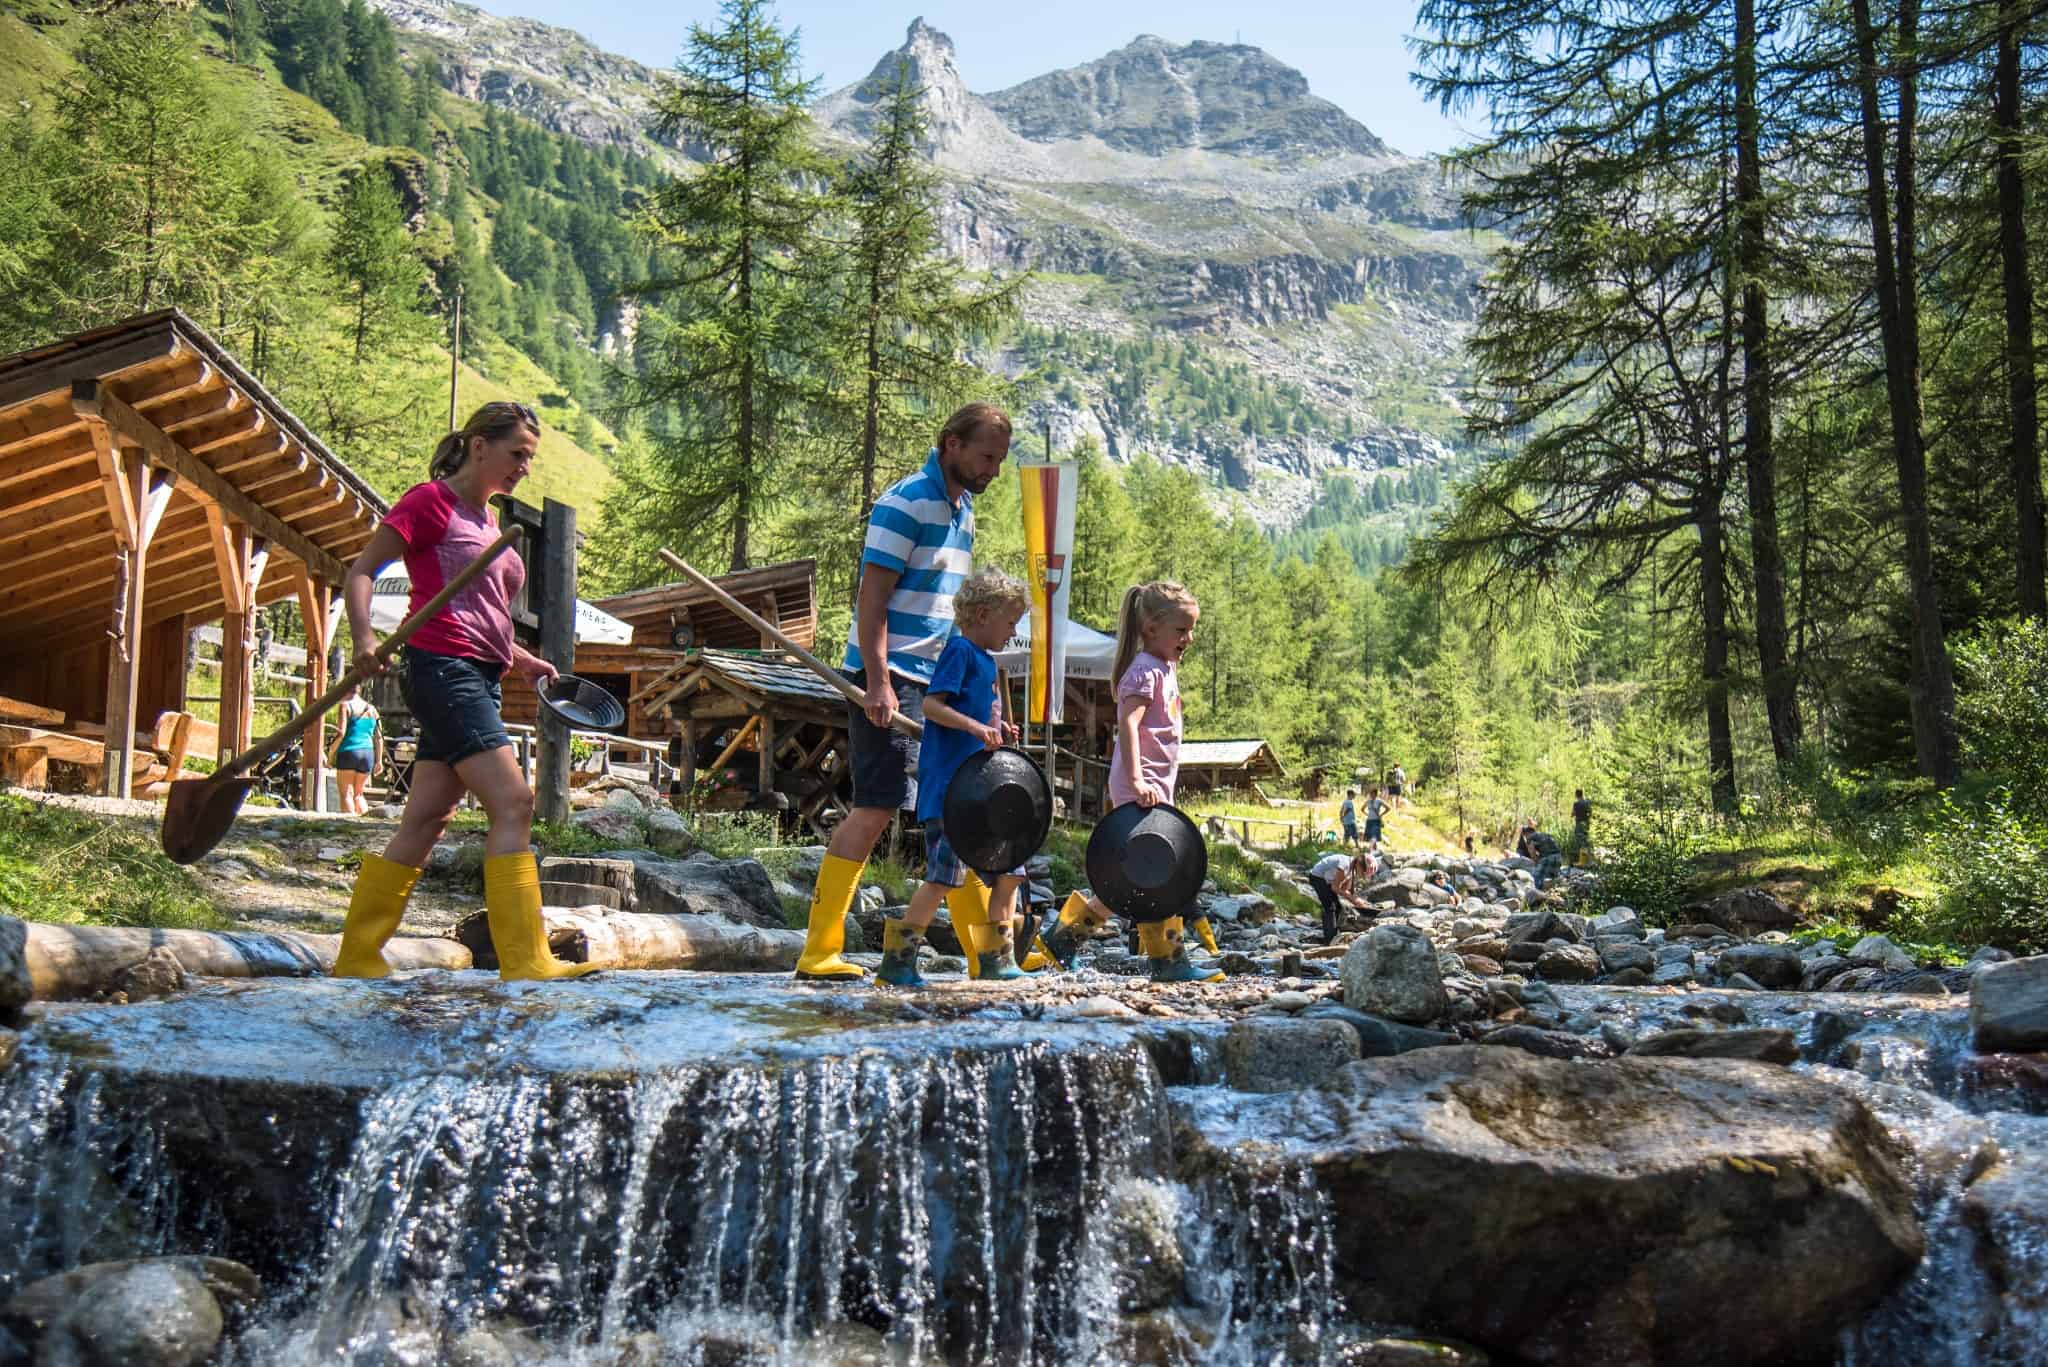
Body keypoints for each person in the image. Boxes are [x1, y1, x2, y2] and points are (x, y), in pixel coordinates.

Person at [331, 402, 596, 982]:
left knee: (426, 818)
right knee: (515, 802)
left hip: (480, 675)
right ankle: (526, 958)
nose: (525, 466)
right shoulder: (429, 502)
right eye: (517, 453)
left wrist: (522, 660)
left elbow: (485, 612)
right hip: (442, 670)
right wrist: (363, 639)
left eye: (530, 457)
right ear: (480, 446)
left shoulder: (487, 522)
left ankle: (357, 955)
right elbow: (360, 571)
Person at [794, 404, 1013, 981]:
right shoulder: (904, 503)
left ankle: (979, 955)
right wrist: (878, 680)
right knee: (878, 804)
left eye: (1000, 460)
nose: (993, 470)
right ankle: (819, 950)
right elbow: (872, 603)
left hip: (939, 680)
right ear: (952, 445)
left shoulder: (962, 510)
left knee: (950, 813)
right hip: (889, 678)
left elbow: (951, 614)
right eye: (986, 457)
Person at [1034, 581, 1222, 983]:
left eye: (1191, 630)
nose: (1188, 638)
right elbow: (1128, 726)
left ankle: (1063, 938)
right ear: (1151, 628)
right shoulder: (1143, 672)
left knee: (1140, 874)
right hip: (1140, 784)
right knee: (1158, 870)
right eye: (1181, 630)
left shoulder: (1165, 668)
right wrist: (1137, 779)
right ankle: (1169, 962)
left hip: (1155, 785)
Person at [877, 569, 1033, 987]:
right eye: (1010, 622)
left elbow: (982, 720)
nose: (1013, 631)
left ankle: (996, 959)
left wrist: (998, 733)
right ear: (983, 615)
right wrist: (973, 727)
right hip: (951, 792)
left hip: (981, 794)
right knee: (943, 878)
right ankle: (898, 960)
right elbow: (931, 706)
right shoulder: (960, 651)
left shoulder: (987, 662)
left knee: (1010, 872)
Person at [328, 685, 382, 816]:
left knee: (346, 793)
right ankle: (363, 826)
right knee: (358, 794)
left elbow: (341, 733)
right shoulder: (372, 709)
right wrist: (379, 761)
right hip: (368, 753)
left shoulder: (345, 706)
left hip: (349, 751)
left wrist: (330, 755)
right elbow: (379, 737)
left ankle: (349, 824)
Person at [1308, 849, 1376, 944]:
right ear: (1359, 865)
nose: (1362, 876)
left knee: (1339, 907)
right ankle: (1329, 940)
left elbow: (1344, 889)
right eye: (1363, 873)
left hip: (1327, 880)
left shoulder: (1352, 868)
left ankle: (1334, 933)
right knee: (1330, 907)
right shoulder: (1345, 865)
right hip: (1317, 877)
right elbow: (1335, 888)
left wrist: (1358, 901)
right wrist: (1354, 900)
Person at [1517, 819, 1564, 889]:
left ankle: (1538, 894)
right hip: (1558, 857)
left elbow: (1532, 854)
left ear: (1526, 834)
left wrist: (1537, 864)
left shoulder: (1530, 838)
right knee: (1551, 877)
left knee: (1535, 879)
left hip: (1548, 858)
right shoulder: (1544, 835)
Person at [1570, 787, 1593, 863]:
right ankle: (1588, 859)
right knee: (1586, 840)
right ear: (1582, 794)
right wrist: (1587, 820)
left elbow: (1572, 814)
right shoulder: (1587, 802)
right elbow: (1590, 813)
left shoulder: (1576, 804)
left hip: (1579, 824)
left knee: (1579, 842)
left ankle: (1581, 860)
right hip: (1586, 824)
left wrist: (1574, 814)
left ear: (1576, 795)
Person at [1362, 786, 1388, 850]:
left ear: (1375, 794)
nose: (1371, 795)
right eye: (1370, 793)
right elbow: (1362, 809)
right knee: (1371, 836)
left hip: (1376, 820)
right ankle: (1374, 849)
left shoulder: (1379, 801)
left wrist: (1381, 814)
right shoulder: (1368, 801)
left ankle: (1371, 849)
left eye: (1372, 793)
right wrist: (1367, 814)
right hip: (1369, 820)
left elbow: (1388, 808)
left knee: (1374, 836)